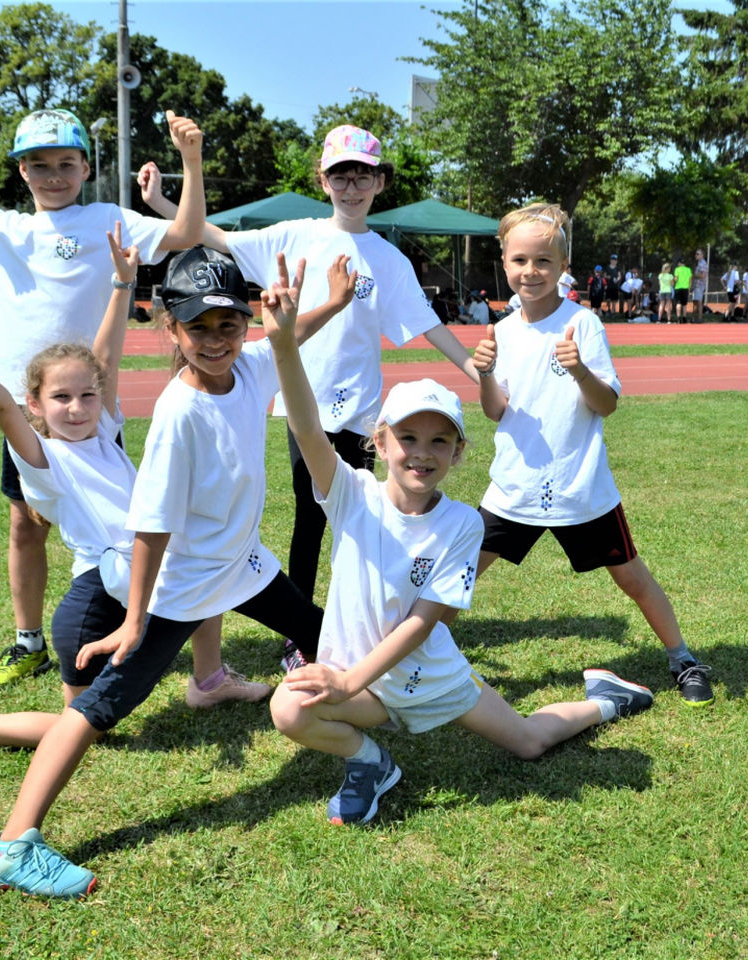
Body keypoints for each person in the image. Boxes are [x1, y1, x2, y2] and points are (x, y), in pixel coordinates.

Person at [0, 248, 335, 898]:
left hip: (243, 567)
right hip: (183, 585)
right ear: (171, 329)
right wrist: (135, 619)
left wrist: (324, 305)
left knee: (327, 632)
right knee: (94, 710)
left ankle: (389, 709)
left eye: (228, 325)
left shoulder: (249, 370)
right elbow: (151, 526)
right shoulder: (176, 415)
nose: (216, 340)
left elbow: (288, 340)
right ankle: (11, 845)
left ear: (245, 324)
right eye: (199, 328)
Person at [265, 302, 653, 826]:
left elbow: (425, 622)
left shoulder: (464, 525)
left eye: (439, 441)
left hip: (429, 675)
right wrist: (285, 346)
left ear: (457, 453)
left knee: (530, 743)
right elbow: (308, 427)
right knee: (288, 708)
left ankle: (607, 699)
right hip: (360, 679)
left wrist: (349, 682)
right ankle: (370, 766)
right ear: (378, 443)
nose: (421, 454)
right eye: (407, 438)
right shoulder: (350, 494)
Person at [141, 124, 480, 670]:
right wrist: (161, 200)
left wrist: (474, 369)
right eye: (340, 175)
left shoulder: (389, 261)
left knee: (363, 520)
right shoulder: (296, 235)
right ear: (323, 180)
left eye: (362, 175)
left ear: (379, 182)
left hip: (365, 417)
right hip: (308, 415)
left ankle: (366, 619)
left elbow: (426, 323)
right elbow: (211, 237)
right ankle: (300, 638)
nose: (351, 186)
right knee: (311, 520)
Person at [0, 108, 206, 692]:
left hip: (90, 405)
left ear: (85, 166)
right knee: (26, 523)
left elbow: (185, 234)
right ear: (22, 171)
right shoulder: (7, 228)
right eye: (40, 165)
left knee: (123, 525)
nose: (54, 175)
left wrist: (191, 162)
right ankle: (29, 642)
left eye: (66, 164)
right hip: (28, 409)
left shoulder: (108, 219)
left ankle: (130, 623)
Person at [468, 203, 714, 708]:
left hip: (581, 490)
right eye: (519, 261)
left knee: (632, 578)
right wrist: (486, 373)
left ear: (562, 266)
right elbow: (495, 412)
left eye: (543, 261)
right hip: (514, 487)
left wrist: (580, 371)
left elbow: (607, 404)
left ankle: (683, 659)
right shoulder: (503, 330)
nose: (530, 272)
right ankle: (415, 654)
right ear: (504, 261)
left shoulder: (584, 324)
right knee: (460, 570)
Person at [673, 257, 692, 322]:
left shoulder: (677, 269)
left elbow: (676, 279)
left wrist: (673, 282)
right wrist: (689, 288)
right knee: (684, 304)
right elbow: (690, 280)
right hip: (685, 288)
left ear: (679, 263)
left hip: (678, 288)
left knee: (678, 303)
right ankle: (684, 318)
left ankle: (678, 318)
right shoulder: (688, 269)